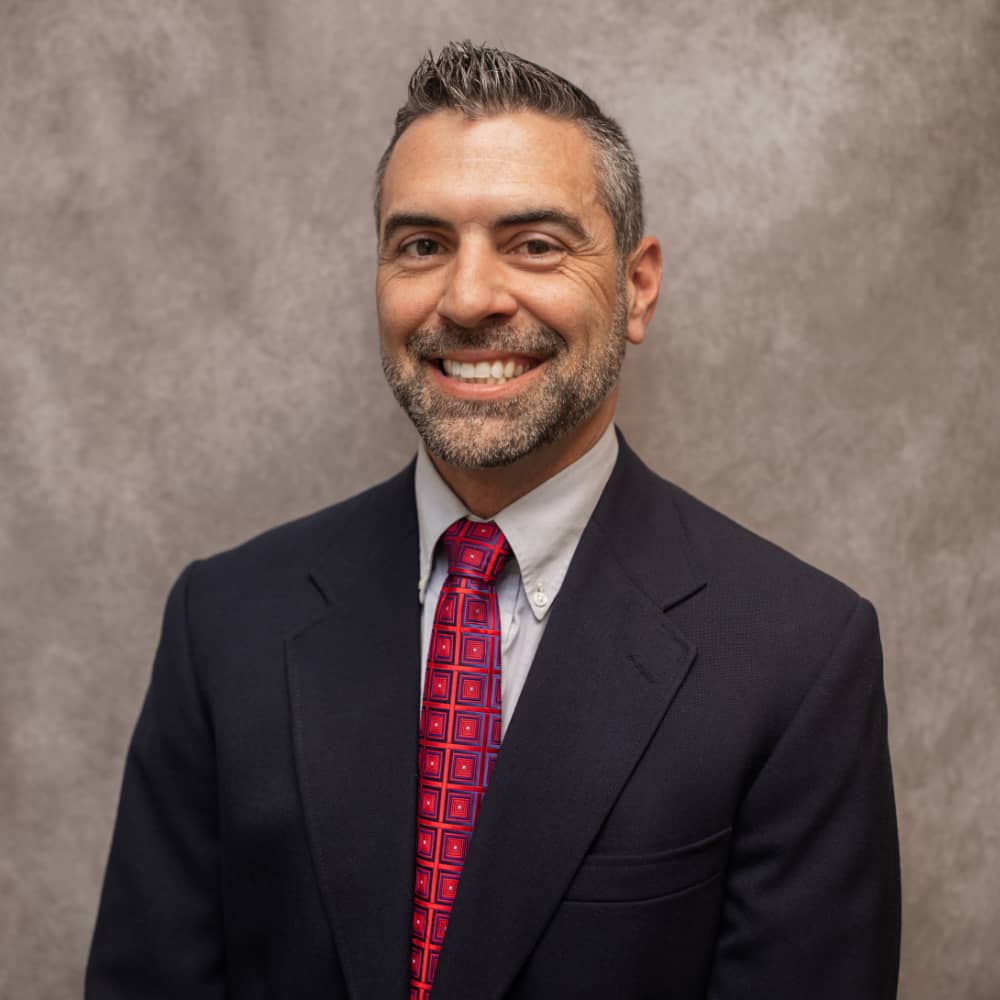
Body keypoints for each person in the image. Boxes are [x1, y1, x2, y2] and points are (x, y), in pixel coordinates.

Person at [87, 41, 901, 999]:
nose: (469, 299)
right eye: (423, 245)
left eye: (536, 244)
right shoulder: (225, 621)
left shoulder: (798, 658)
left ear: (637, 287)